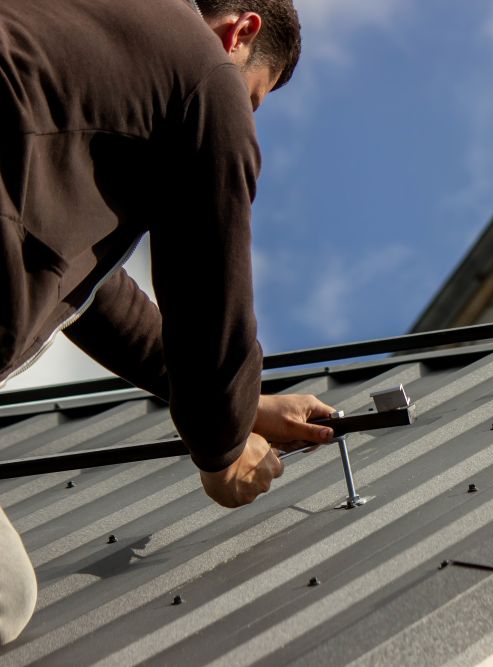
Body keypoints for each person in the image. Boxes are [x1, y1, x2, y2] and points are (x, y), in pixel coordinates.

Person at [0, 0, 327, 644]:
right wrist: (223, 447)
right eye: (254, 98)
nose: (243, 112)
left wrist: (251, 406)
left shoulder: (77, 35)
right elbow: (206, 283)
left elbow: (87, 290)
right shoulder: (206, 76)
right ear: (241, 32)